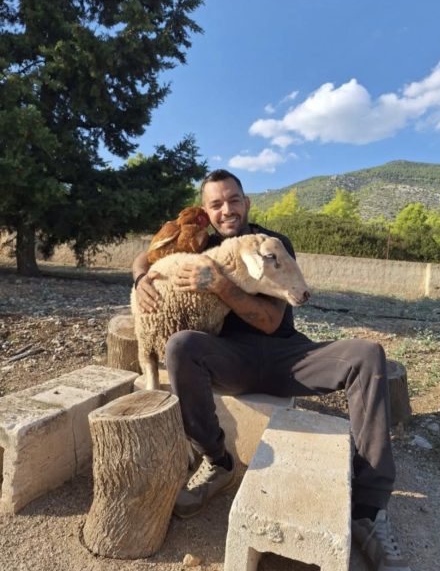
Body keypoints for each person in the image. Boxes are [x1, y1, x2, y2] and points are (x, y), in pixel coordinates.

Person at [132, 169, 410, 571]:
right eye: (216, 204)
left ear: (246, 203)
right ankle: (217, 461)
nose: (227, 210)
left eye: (233, 200)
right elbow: (147, 254)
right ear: (206, 211)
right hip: (231, 357)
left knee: (367, 355)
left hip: (287, 356)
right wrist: (141, 277)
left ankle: (368, 510)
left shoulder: (271, 244)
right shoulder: (200, 244)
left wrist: (219, 284)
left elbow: (269, 321)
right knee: (181, 346)